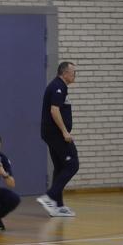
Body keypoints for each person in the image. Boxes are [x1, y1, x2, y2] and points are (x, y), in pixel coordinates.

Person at [37, 60, 78, 217]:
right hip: (56, 133)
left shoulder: (60, 86)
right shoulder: (58, 87)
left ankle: (58, 206)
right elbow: (54, 111)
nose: (75, 75)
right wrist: (64, 132)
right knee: (73, 164)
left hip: (51, 133)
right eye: (73, 73)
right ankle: (49, 197)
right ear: (64, 74)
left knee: (60, 167)